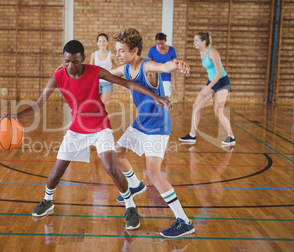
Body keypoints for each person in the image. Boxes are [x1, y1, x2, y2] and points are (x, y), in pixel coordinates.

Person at [10, 40, 183, 230]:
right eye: (67, 61)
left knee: (110, 166)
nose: (71, 65)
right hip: (77, 128)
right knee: (56, 172)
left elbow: (127, 83)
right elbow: (37, 105)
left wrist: (156, 97)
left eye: (75, 61)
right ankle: (47, 200)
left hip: (100, 125)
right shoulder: (57, 77)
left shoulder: (94, 71)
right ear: (63, 59)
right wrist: (14, 116)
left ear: (82, 59)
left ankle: (131, 206)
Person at [110, 28, 195, 238]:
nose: (118, 55)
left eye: (121, 51)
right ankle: (135, 184)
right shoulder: (125, 69)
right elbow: (102, 74)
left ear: (134, 50)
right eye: (117, 51)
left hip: (158, 127)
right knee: (117, 154)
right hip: (141, 123)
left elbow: (164, 65)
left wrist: (178, 63)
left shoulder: (146, 65)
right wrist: (75, 69)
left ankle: (183, 221)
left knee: (154, 173)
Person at [179, 32, 235, 146]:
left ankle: (231, 137)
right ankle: (192, 135)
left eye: (196, 40)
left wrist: (208, 88)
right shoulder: (202, 53)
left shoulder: (213, 52)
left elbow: (219, 73)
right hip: (212, 82)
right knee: (196, 106)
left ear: (204, 41)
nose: (194, 42)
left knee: (218, 112)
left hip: (222, 82)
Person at [90, 33, 120, 104]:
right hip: (96, 82)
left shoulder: (112, 55)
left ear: (107, 43)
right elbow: (90, 71)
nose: (102, 43)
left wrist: (118, 81)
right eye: (100, 41)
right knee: (95, 104)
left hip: (107, 82)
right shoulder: (93, 55)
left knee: (103, 105)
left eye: (104, 41)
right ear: (97, 43)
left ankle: (104, 115)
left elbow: (119, 69)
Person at [147, 33, 178, 98]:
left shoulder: (172, 50)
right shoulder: (152, 50)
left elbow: (174, 67)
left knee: (166, 99)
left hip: (166, 78)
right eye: (158, 43)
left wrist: (174, 83)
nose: (160, 45)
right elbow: (148, 65)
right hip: (155, 78)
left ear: (165, 41)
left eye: (162, 43)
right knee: (155, 99)